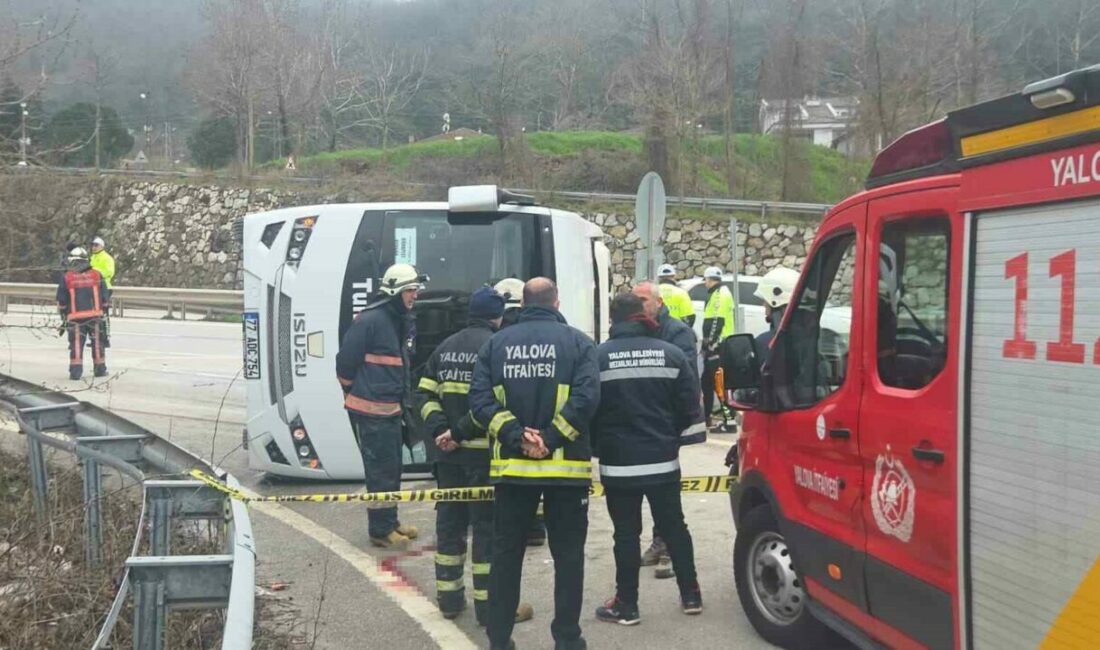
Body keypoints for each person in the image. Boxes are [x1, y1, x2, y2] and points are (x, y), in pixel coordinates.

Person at [470, 277, 600, 650]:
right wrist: (552, 439)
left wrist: (517, 436)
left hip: (512, 472)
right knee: (568, 558)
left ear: (522, 304)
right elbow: (587, 399)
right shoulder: (578, 343)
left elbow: (479, 402)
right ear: (556, 302)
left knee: (506, 556)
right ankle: (567, 638)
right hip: (567, 473)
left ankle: (499, 640)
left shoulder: (496, 345)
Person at [416, 286, 534, 625]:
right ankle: (490, 608)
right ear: (497, 316)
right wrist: (460, 432)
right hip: (483, 459)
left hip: (448, 460)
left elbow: (423, 394)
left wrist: (441, 431)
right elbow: (495, 406)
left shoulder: (445, 347)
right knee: (488, 531)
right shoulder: (497, 348)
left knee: (450, 527)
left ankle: (450, 600)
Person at [592, 293, 705, 626]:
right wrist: (667, 435)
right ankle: (691, 595)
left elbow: (588, 409)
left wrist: (601, 444)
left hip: (618, 464)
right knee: (675, 528)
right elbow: (690, 406)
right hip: (662, 462)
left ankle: (626, 605)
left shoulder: (598, 357)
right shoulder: (670, 354)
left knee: (625, 534)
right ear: (642, 315)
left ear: (614, 319)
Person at [336, 263, 426, 549]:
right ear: (396, 291)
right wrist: (357, 391)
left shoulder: (399, 320)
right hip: (372, 413)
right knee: (380, 473)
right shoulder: (371, 320)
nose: (414, 296)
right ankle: (380, 530)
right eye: (411, 290)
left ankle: (391, 521)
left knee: (392, 469)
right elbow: (345, 364)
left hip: (391, 410)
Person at [631, 281, 700, 580]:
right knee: (648, 488)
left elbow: (683, 380)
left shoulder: (678, 332)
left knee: (665, 491)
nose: (639, 304)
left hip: (668, 423)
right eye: (635, 300)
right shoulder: (638, 330)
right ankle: (660, 541)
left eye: (644, 299)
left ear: (658, 302)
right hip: (645, 422)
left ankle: (670, 548)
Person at [495, 277, 548, 548]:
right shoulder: (544, 332)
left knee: (516, 483)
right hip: (542, 421)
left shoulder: (499, 337)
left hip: (509, 425)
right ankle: (537, 527)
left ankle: (524, 527)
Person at [56, 247, 109, 380]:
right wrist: (104, 311)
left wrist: (63, 314)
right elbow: (105, 297)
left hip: (75, 318)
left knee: (76, 344)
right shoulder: (97, 275)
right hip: (95, 316)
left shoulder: (67, 277)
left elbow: (61, 300)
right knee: (98, 343)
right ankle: (100, 370)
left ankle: (75, 373)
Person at [701, 266, 735, 428]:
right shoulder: (718, 293)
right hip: (718, 345)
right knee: (709, 382)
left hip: (719, 346)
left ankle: (729, 420)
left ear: (710, 279)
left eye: (706, 280)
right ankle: (708, 416)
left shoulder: (720, 295)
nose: (705, 284)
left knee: (718, 383)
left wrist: (710, 345)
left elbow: (716, 322)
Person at [752, 267, 801, 364]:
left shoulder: (766, 343)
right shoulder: (814, 338)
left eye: (765, 300)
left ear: (775, 301)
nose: (763, 304)